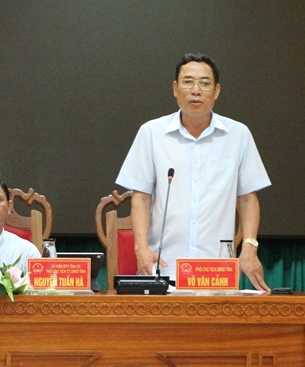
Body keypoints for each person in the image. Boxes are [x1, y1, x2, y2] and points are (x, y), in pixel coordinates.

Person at [116, 53, 271, 291]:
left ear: (216, 91)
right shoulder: (151, 133)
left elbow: (248, 199)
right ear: (175, 89)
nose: (196, 90)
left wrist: (250, 247)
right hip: (164, 268)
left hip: (216, 273)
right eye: (188, 82)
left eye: (204, 83)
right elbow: (142, 197)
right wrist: (141, 248)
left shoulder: (238, 135)